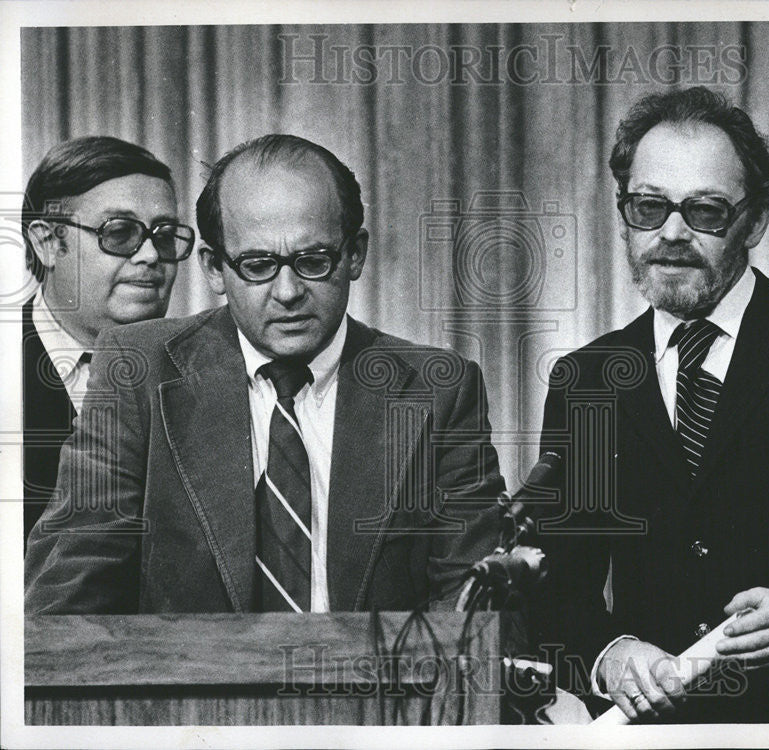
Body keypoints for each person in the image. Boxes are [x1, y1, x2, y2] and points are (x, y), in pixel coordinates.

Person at [529, 87, 769, 723]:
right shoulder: (585, 379)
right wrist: (608, 653)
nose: (671, 234)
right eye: (648, 208)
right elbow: (555, 591)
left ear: (756, 221)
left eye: (704, 211)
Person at [25, 134, 504, 615]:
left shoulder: (439, 389)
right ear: (215, 269)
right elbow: (65, 598)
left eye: (313, 261)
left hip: (378, 687)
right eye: (258, 265)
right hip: (194, 688)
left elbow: (475, 608)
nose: (289, 291)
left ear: (355, 254)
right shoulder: (138, 369)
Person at [21, 136, 191, 549]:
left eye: (164, 234)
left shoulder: (206, 371)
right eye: (119, 232)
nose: (151, 255)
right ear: (47, 243)